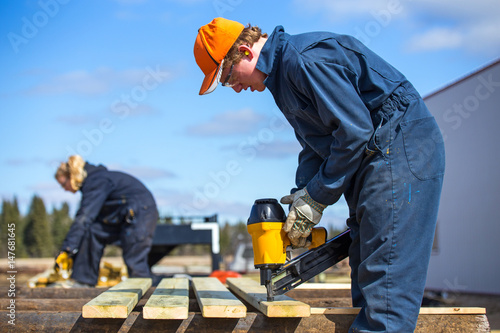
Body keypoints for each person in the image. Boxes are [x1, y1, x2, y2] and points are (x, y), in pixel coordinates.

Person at [194, 18, 445, 332]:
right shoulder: (281, 79)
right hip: (375, 152)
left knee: (385, 278)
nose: (235, 88)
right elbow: (316, 145)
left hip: (397, 141)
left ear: (244, 51)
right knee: (364, 259)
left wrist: (315, 198)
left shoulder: (303, 59)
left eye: (228, 77)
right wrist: (303, 195)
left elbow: (353, 133)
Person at [54, 155, 158, 287]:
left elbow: (84, 217)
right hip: (123, 215)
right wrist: (72, 252)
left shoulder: (96, 181)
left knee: (134, 259)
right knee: (92, 232)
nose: (64, 188)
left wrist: (67, 249)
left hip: (140, 213)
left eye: (63, 184)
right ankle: (83, 281)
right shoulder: (94, 181)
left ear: (71, 176)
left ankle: (145, 296)